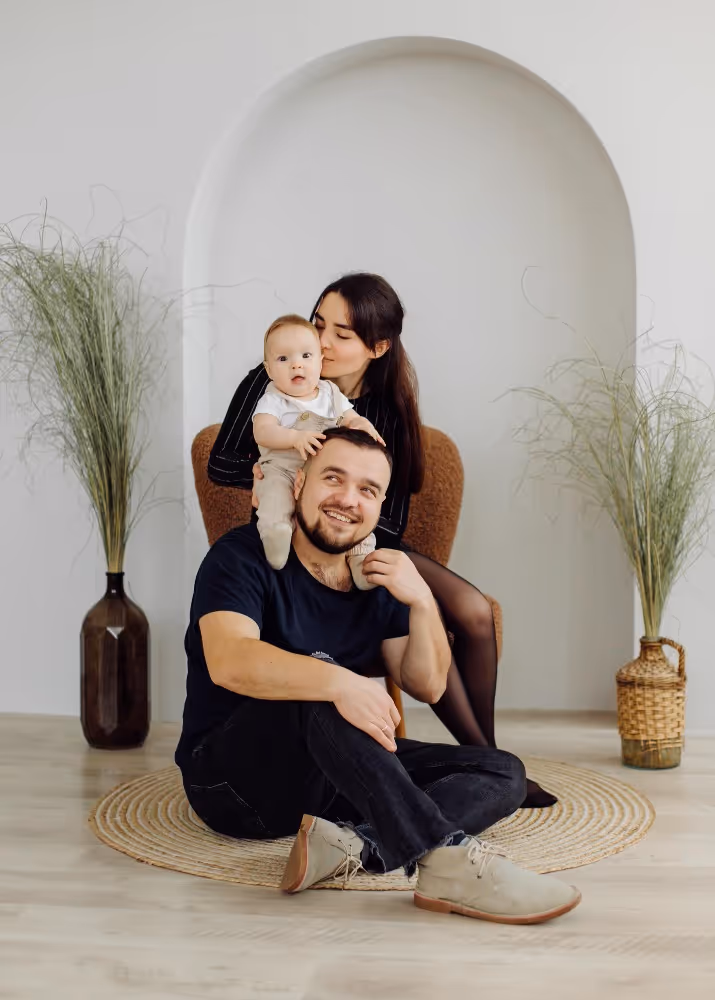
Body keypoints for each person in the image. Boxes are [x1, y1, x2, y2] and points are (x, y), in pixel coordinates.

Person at [177, 427, 581, 922]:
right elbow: (230, 660)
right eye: (333, 479)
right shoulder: (241, 557)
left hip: (328, 781)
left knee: (502, 772)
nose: (348, 500)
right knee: (321, 685)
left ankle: (355, 846)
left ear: (380, 505)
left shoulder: (373, 575)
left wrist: (422, 601)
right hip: (233, 784)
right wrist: (341, 681)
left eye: (367, 490)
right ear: (299, 484)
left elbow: (427, 685)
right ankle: (444, 861)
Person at [208, 273, 556, 809]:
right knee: (453, 607)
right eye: (319, 324)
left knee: (472, 610)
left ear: (378, 346)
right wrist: (285, 467)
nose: (319, 344)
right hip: (295, 517)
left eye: (341, 335)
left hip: (372, 534)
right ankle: (478, 760)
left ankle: (482, 751)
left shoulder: (383, 406)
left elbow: (388, 513)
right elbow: (222, 460)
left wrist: (362, 539)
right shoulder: (278, 371)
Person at [252, 312, 382, 587]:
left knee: (352, 509)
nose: (296, 365)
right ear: (269, 369)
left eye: (306, 357)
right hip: (283, 468)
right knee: (275, 498)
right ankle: (276, 535)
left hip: (327, 476)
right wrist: (294, 438)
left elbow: (349, 416)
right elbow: (262, 431)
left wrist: (361, 424)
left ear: (320, 361)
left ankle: (360, 558)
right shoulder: (274, 398)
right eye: (283, 359)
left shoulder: (329, 393)